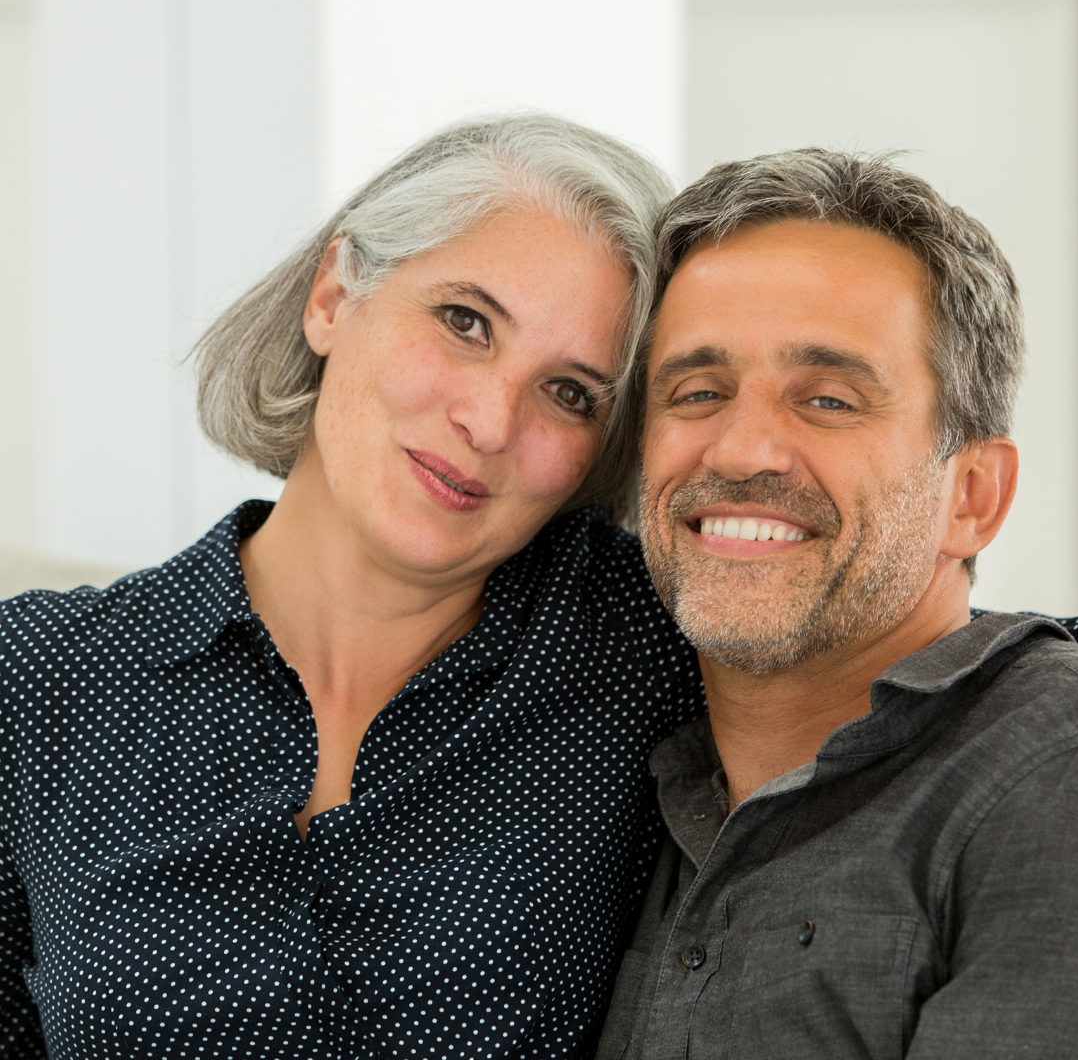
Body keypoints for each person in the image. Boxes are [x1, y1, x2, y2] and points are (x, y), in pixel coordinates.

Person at [0, 115, 707, 1059]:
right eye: (466, 322)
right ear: (334, 295)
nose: (491, 422)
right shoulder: (40, 677)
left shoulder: (655, 650)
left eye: (570, 393)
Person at [597, 148, 1078, 1059]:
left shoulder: (1049, 769)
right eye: (698, 392)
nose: (743, 451)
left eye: (826, 399)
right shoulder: (632, 784)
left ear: (972, 494)